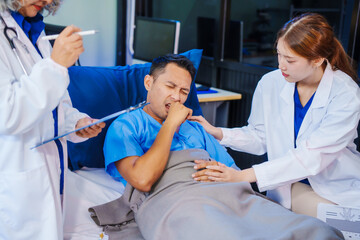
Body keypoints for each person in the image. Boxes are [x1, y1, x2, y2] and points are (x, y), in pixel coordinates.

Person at [94, 54, 343, 239]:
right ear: (149, 83)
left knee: (314, 231)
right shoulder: (126, 126)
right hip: (177, 200)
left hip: (225, 196)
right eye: (169, 87)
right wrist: (170, 124)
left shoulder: (194, 128)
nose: (177, 97)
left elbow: (233, 173)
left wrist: (231, 185)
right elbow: (143, 180)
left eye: (183, 91)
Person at [190, 13, 360, 218]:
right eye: (279, 54)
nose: (281, 65)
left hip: (335, 189)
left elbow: (313, 157)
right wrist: (218, 133)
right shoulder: (270, 83)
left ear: (317, 60)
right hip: (285, 186)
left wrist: (240, 176)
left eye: (290, 59)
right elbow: (260, 137)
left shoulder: (345, 93)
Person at [0, 1, 105, 239]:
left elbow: (56, 103)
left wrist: (76, 124)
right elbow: (7, 114)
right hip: (15, 180)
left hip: (48, 175)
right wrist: (56, 64)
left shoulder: (32, 32)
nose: (47, 1)